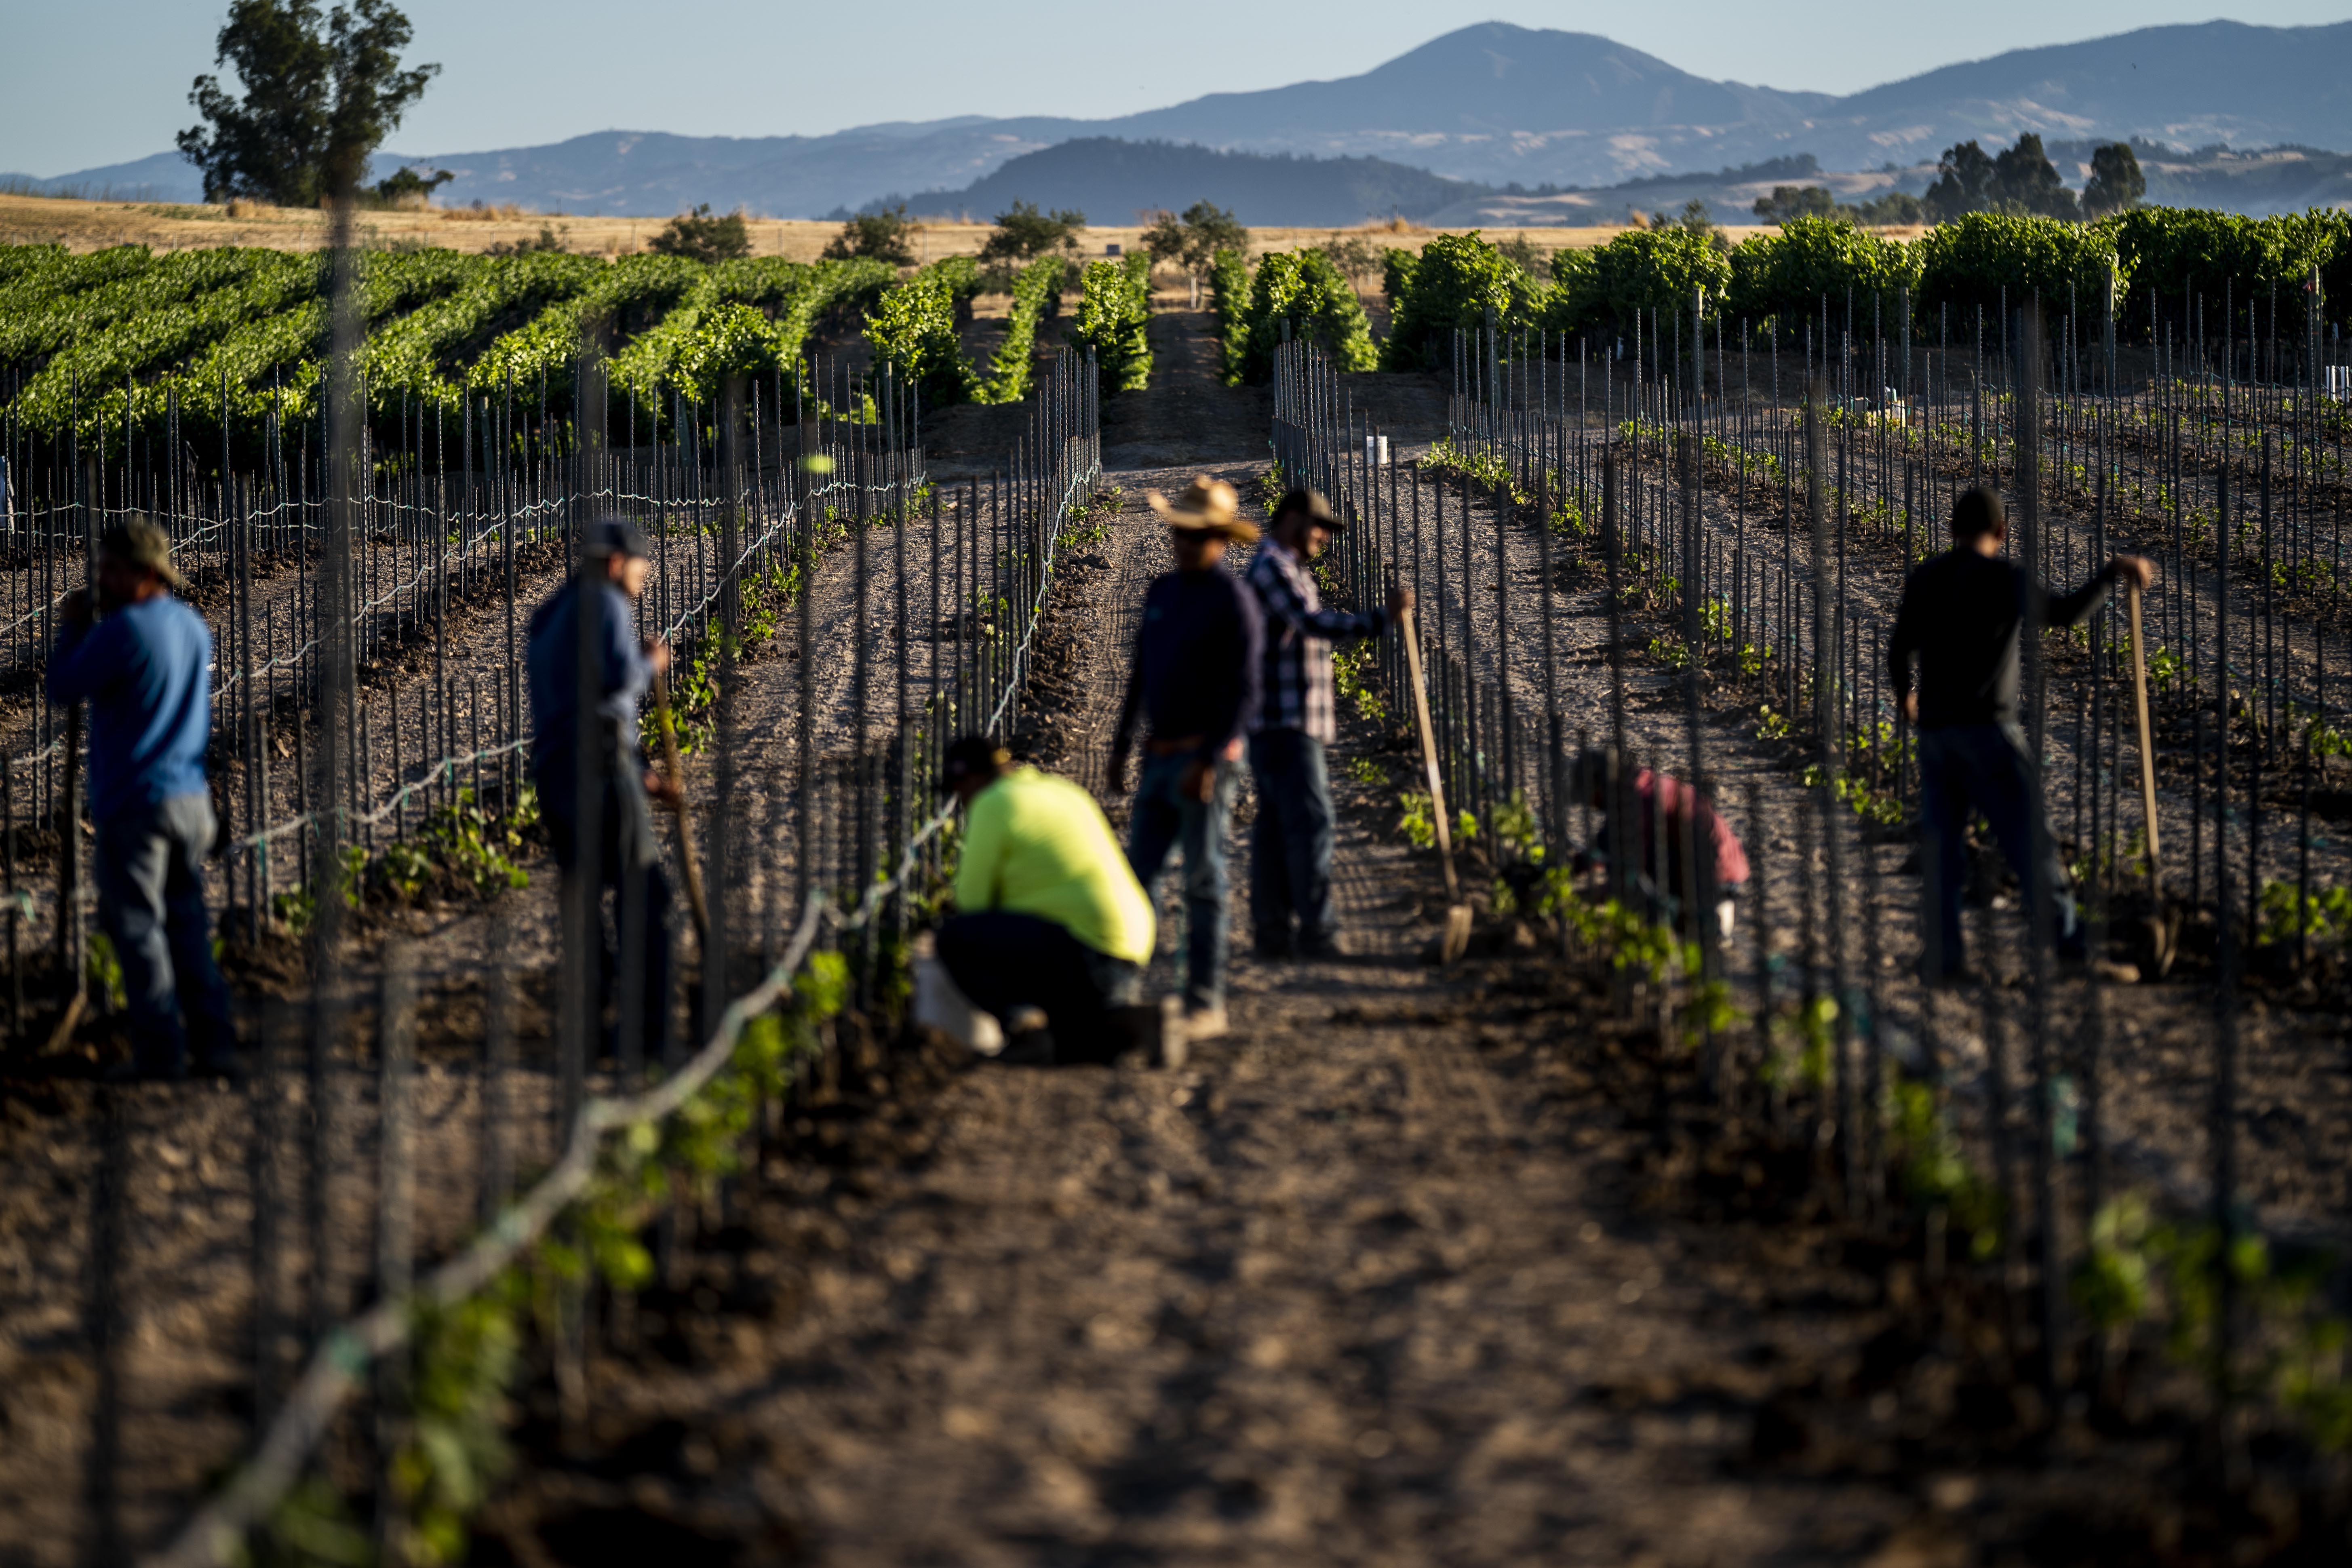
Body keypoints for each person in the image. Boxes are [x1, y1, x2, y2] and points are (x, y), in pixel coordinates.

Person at [1887, 486, 2156, 983]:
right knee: (2031, 844)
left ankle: (1946, 962)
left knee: (1943, 853)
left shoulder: (1926, 577)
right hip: (1989, 732)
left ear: (1951, 531)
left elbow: (1899, 647)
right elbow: (2065, 614)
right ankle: (2072, 951)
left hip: (1937, 736)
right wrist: (2112, 573)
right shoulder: (2003, 578)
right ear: (2002, 533)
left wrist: (1907, 696)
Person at [46, 518, 235, 1079]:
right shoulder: (192, 625)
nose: (102, 578)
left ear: (148, 573)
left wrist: (74, 628)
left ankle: (160, 1053)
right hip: (191, 800)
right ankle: (214, 1042)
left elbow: (63, 687)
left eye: (113, 568)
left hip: (137, 804)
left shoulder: (122, 631)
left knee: (138, 929)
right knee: (187, 925)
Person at [1108, 476, 1263, 1035]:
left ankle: (1204, 1001)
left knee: (1202, 879)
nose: (1185, 544)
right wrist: (1122, 743)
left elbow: (1246, 693)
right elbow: (1141, 675)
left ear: (1222, 540)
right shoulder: (1160, 593)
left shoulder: (1235, 601)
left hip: (1205, 759)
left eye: (1198, 536)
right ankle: (1120, 993)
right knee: (1137, 878)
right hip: (1158, 754)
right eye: (1180, 533)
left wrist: (1211, 759)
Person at [526, 517, 678, 1064]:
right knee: (646, 899)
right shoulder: (605, 602)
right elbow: (615, 679)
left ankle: (592, 1027)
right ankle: (650, 1034)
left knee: (586, 902)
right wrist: (651, 663)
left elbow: (578, 710)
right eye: (641, 567)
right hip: (601, 772)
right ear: (617, 564)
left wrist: (644, 778)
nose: (645, 577)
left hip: (558, 774)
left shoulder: (551, 617)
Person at [1245, 487, 1411, 959]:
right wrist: (1379, 620)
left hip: (1287, 720)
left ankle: (1273, 933)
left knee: (1278, 828)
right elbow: (1310, 623)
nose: (1323, 538)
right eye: (1319, 527)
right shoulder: (1272, 569)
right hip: (1285, 721)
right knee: (1312, 823)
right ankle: (1317, 932)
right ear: (1294, 519)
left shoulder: (1285, 568)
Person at [937, 736, 1154, 1063]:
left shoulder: (992, 803)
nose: (961, 801)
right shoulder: (1063, 791)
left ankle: (1023, 1028)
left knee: (955, 937)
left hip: (1084, 950)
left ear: (970, 779)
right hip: (1132, 947)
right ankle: (1110, 1021)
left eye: (958, 790)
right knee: (1076, 1044)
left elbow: (972, 902)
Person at [1569, 747, 1749, 940]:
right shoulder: (1640, 784)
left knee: (1643, 890)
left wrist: (1582, 897)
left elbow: (1634, 873)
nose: (1592, 806)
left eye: (1591, 798)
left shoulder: (1642, 801)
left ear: (1601, 787)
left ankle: (1707, 923)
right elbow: (1606, 842)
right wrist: (1572, 866)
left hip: (1715, 876)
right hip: (1717, 863)